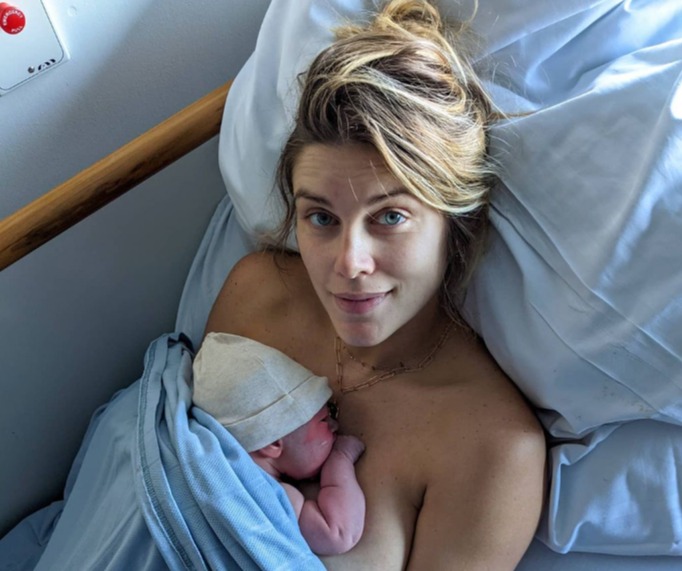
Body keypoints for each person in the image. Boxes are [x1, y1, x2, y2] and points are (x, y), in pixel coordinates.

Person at [205, 0, 547, 568]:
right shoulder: (256, 295)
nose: (350, 263)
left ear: (455, 223)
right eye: (321, 218)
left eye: (389, 217)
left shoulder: (492, 451)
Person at [192, 332, 366, 556]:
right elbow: (338, 533)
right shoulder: (266, 491)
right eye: (324, 419)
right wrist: (341, 458)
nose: (335, 425)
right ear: (273, 444)